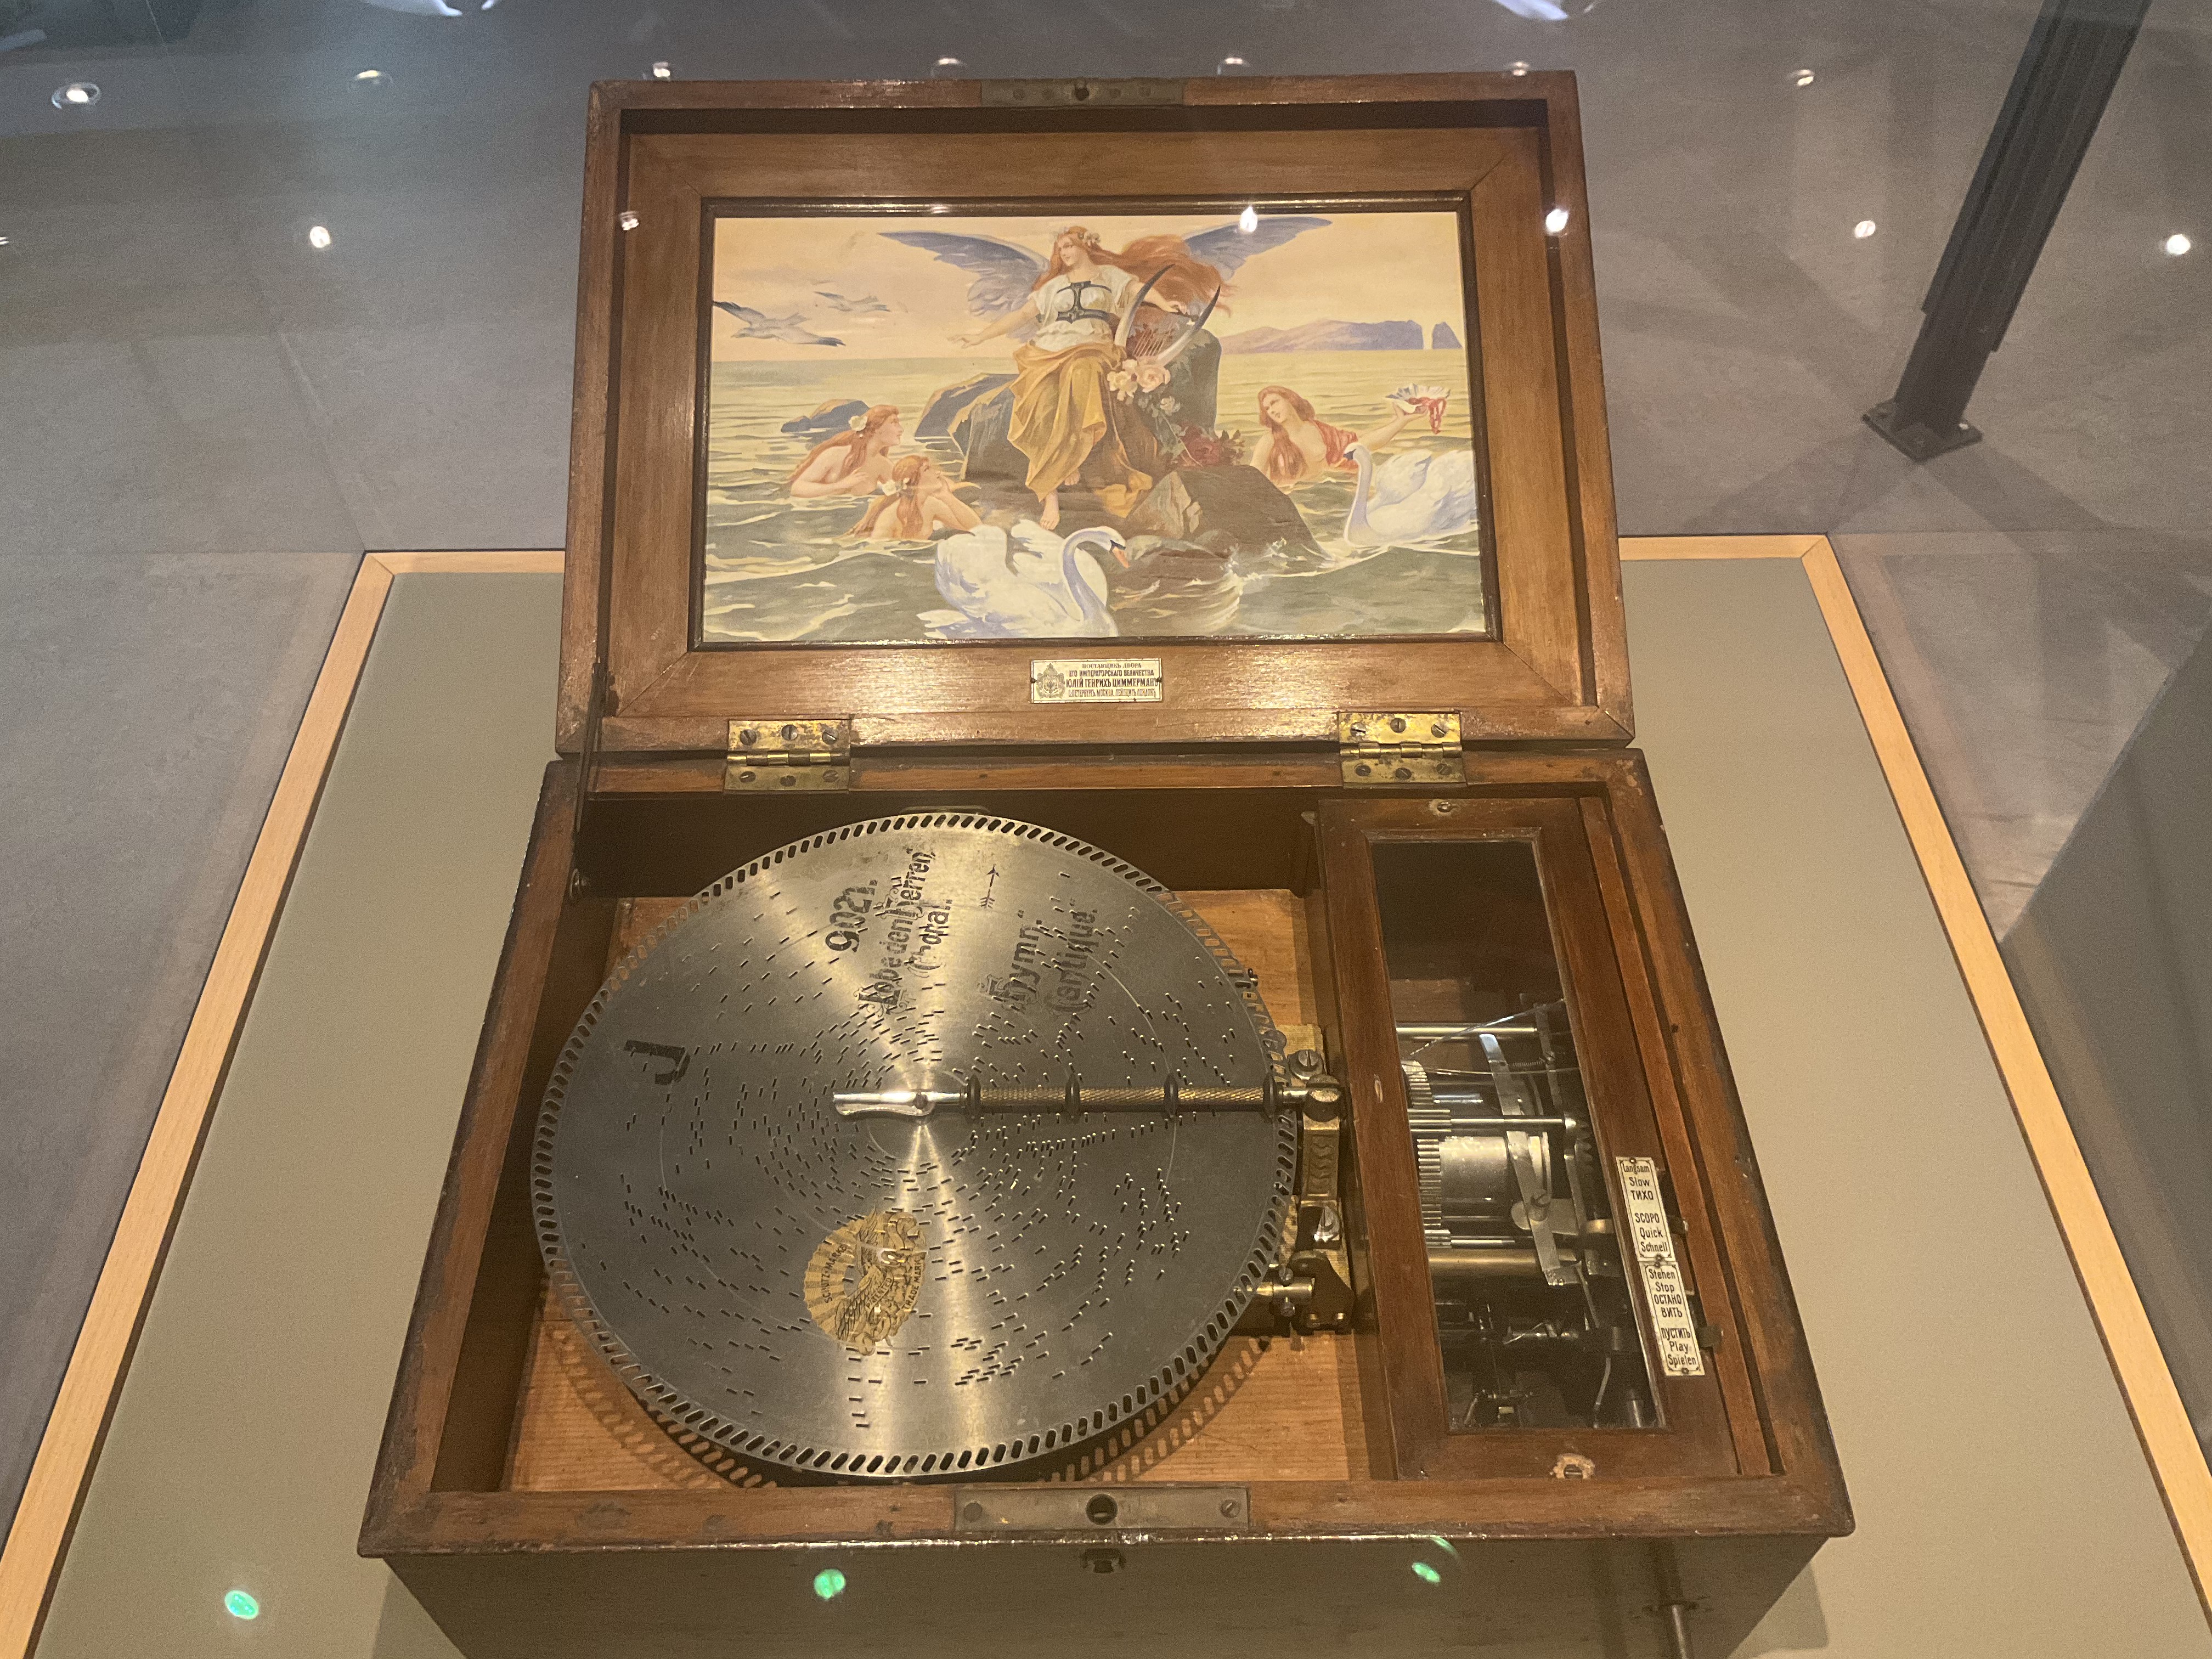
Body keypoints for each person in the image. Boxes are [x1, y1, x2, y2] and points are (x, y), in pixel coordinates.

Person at [952, 226, 1219, 530]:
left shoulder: (1109, 276)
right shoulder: (1054, 286)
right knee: (1043, 400)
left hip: (1094, 349)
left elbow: (1137, 289)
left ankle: (1069, 462)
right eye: (1061, 248)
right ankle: (1053, 489)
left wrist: (1164, 304)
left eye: (1069, 246)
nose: (1064, 253)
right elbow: (1023, 315)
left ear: (1086, 246)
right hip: (1047, 353)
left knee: (1083, 371)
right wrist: (980, 337)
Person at [1251, 386, 1420, 490]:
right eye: (1267, 409)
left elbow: (1363, 444)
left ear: (1290, 400)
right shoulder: (1269, 442)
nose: (1272, 410)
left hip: (1331, 496)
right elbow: (1252, 479)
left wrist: (1402, 422)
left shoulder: (1320, 430)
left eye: (1275, 403)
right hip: (1294, 504)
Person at [846, 455, 983, 541]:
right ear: (914, 481)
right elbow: (877, 552)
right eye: (927, 469)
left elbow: (978, 529)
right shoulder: (892, 514)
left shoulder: (931, 505)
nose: (937, 472)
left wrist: (948, 497)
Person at [788, 404, 904, 498]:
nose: (901, 429)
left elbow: (902, 493)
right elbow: (797, 488)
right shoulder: (835, 454)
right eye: (894, 423)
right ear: (876, 428)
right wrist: (841, 485)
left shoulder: (884, 465)